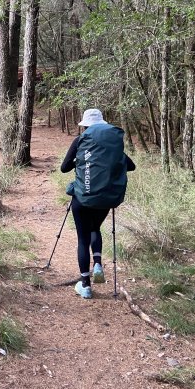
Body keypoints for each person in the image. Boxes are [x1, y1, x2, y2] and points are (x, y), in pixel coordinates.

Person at [60, 108, 136, 299]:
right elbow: (132, 166)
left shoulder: (80, 141)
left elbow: (64, 168)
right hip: (105, 200)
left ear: (85, 125)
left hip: (82, 198)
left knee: (82, 238)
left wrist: (82, 161)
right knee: (95, 229)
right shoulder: (111, 146)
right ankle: (98, 264)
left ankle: (85, 285)